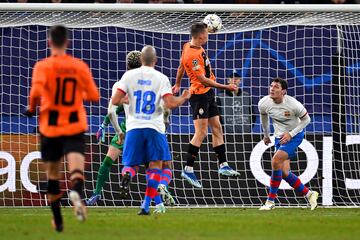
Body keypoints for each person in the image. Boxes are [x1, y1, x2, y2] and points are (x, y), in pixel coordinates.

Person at [25, 25, 99, 231]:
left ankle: (57, 220)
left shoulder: (42, 66)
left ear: (49, 43)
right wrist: (78, 94)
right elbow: (94, 96)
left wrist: (31, 109)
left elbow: (36, 93)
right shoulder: (79, 66)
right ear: (67, 42)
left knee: (53, 176)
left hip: (51, 126)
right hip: (74, 124)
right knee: (76, 171)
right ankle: (76, 190)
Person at [86, 51, 175, 207]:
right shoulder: (150, 80)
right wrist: (164, 123)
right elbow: (163, 107)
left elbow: (114, 110)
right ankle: (160, 196)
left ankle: (96, 194)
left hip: (127, 129)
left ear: (127, 64)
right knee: (159, 166)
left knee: (107, 162)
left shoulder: (122, 83)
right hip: (149, 128)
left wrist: (104, 126)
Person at [112, 45, 190, 215]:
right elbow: (169, 104)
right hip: (154, 127)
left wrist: (128, 99)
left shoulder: (128, 76)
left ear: (141, 60)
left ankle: (127, 175)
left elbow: (115, 100)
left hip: (133, 127)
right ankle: (146, 205)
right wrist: (184, 97)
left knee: (131, 164)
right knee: (156, 166)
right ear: (155, 60)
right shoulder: (161, 78)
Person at [172, 22, 240, 188]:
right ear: (201, 36)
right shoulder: (192, 56)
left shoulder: (189, 45)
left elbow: (181, 65)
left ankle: (223, 165)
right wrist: (227, 87)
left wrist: (178, 83)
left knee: (217, 127)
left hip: (208, 94)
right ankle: (188, 169)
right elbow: (202, 79)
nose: (208, 36)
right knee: (201, 132)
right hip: (199, 96)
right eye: (207, 34)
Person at [258, 78, 319, 211]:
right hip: (279, 137)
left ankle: (270, 201)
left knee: (275, 161)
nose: (272, 89)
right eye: (271, 86)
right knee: (285, 172)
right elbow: (264, 118)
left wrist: (291, 134)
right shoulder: (264, 103)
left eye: (276, 87)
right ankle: (310, 194)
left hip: (295, 136)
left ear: (283, 91)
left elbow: (307, 119)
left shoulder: (293, 104)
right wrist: (266, 135)